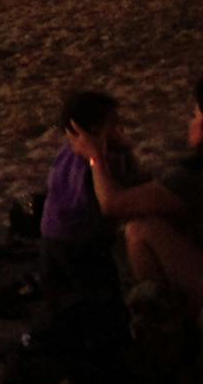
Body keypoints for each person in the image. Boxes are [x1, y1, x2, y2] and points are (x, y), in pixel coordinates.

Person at [66, 77, 203, 323]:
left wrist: (95, 157)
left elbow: (112, 204)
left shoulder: (194, 174)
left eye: (195, 114)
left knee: (139, 230)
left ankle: (162, 322)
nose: (190, 121)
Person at [41, 91, 143, 299]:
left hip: (52, 235)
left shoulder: (66, 152)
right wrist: (125, 151)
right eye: (114, 124)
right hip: (82, 241)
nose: (120, 128)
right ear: (96, 129)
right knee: (100, 293)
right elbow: (120, 198)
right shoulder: (103, 161)